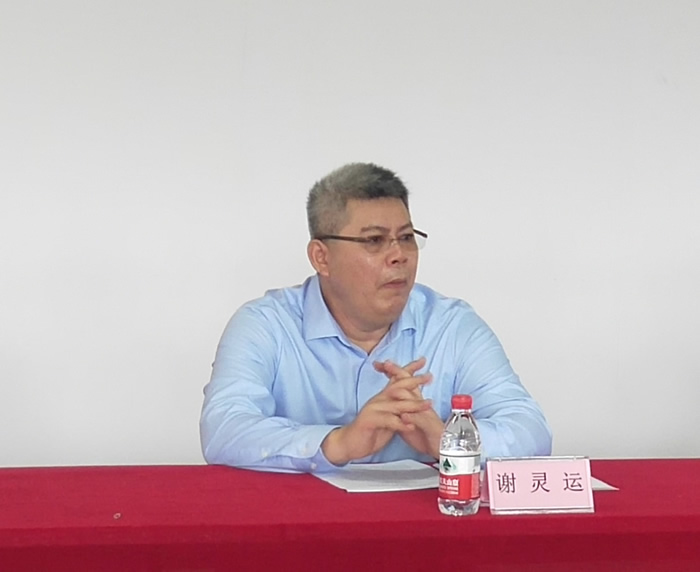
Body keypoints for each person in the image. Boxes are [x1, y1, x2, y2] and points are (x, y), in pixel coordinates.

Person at [200, 162, 552, 473]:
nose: (398, 255)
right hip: (302, 523)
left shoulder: (452, 326)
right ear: (322, 257)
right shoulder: (266, 325)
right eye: (374, 240)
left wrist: (448, 440)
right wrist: (339, 443)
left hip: (420, 522)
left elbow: (531, 430)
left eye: (406, 237)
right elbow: (224, 429)